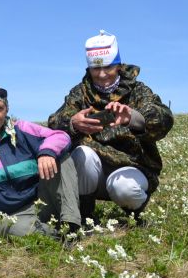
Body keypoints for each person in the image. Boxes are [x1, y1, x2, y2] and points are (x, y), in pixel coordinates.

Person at [47, 30, 174, 223]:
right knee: (81, 154)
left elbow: (164, 119)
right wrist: (73, 123)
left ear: (118, 65)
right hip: (94, 172)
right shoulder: (79, 93)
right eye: (95, 68)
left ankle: (136, 214)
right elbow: (54, 123)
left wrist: (134, 118)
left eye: (108, 67)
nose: (102, 74)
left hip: (133, 167)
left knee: (124, 188)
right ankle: (84, 216)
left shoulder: (138, 90)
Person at [0, 86, 81, 237]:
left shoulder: (22, 129)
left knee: (61, 157)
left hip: (42, 204)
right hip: (8, 217)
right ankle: (61, 236)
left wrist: (47, 152)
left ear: (6, 110)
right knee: (19, 229)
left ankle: (71, 226)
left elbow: (60, 136)